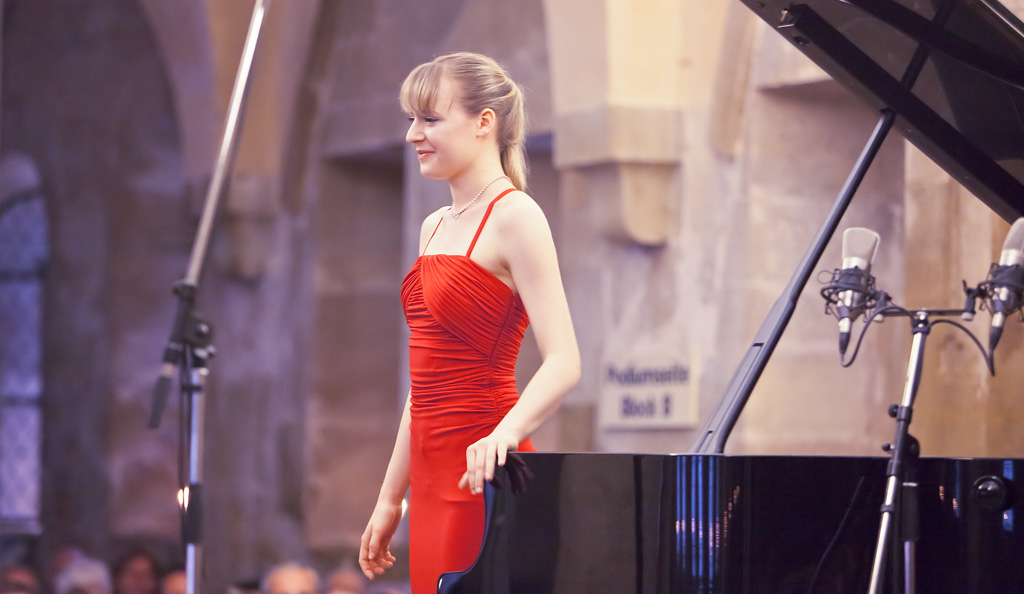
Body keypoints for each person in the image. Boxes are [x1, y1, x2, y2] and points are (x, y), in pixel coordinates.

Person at [358, 52, 581, 593]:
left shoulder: (516, 215)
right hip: (430, 475)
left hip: (483, 467)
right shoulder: (433, 226)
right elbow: (425, 383)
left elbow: (565, 361)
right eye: (412, 119)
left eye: (430, 119)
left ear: (485, 122)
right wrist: (390, 497)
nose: (413, 134)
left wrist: (506, 434)